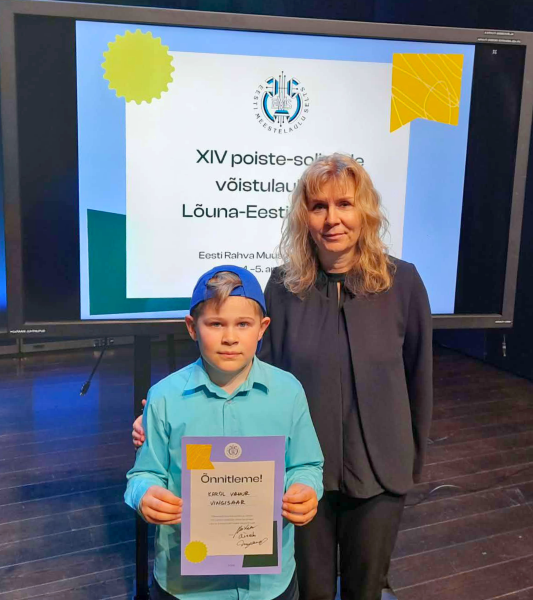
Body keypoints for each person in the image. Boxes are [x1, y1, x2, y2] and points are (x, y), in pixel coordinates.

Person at [134, 154, 433, 600]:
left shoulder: (402, 283)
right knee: (310, 589)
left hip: (380, 470)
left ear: (365, 211)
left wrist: (411, 460)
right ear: (304, 217)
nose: (332, 219)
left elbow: (419, 377)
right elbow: (248, 372)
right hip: (295, 477)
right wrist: (159, 413)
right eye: (319, 207)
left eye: (345, 204)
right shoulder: (284, 286)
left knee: (366, 587)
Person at [125, 265, 324, 600]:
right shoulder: (164, 397)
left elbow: (306, 464)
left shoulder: (288, 392)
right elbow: (144, 473)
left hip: (268, 585)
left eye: (243, 324)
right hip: (186, 586)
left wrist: (306, 489)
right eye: (215, 324)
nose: (230, 337)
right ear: (192, 327)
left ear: (262, 328)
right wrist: (145, 495)